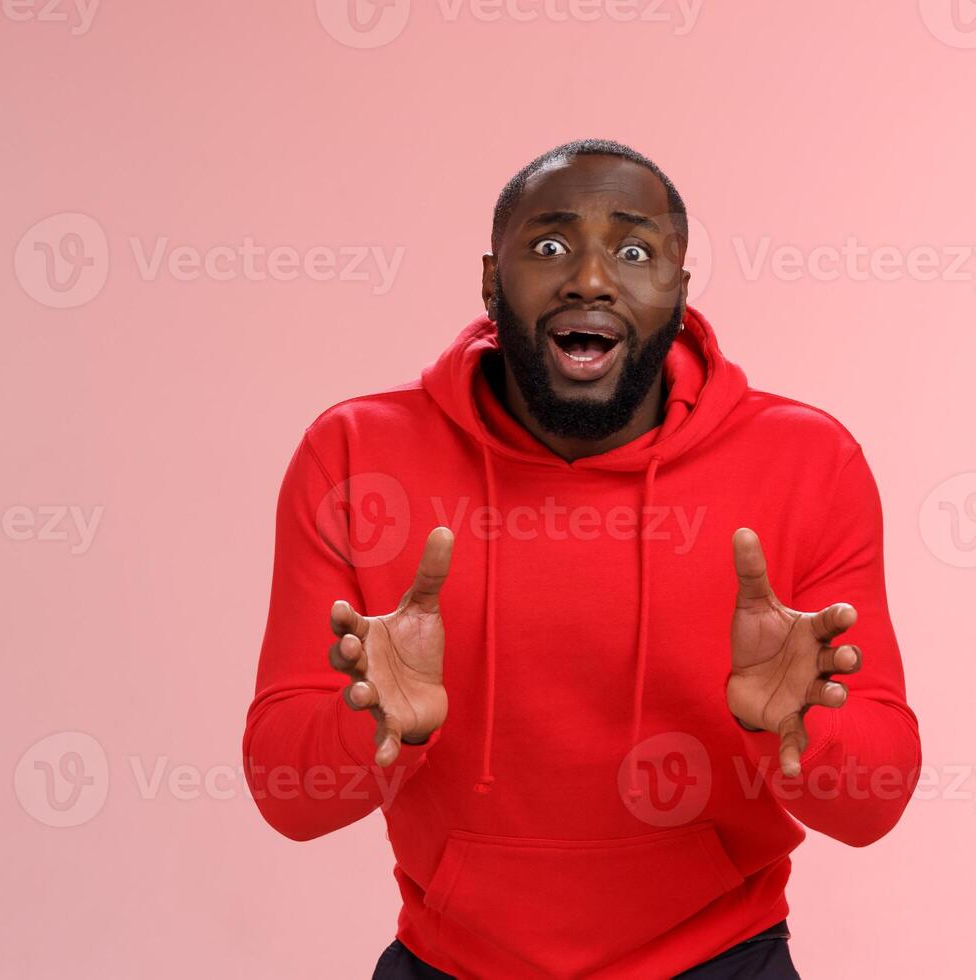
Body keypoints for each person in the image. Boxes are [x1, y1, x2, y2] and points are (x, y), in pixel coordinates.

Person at [243, 139, 920, 979]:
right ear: (491, 281)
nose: (590, 280)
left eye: (634, 251)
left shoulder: (807, 461)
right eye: (550, 246)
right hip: (449, 963)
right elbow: (284, 793)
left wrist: (791, 727)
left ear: (678, 284)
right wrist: (372, 725)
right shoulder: (354, 451)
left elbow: (874, 804)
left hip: (721, 961)